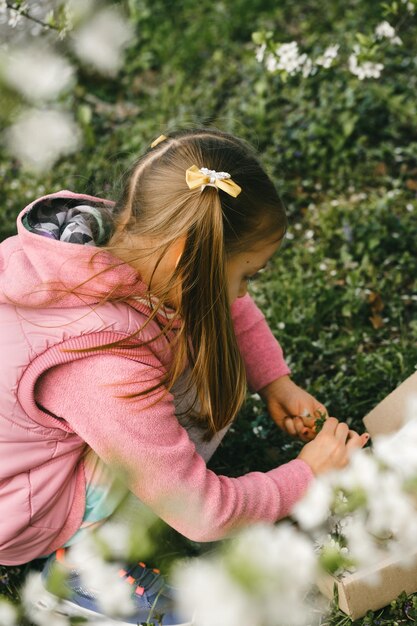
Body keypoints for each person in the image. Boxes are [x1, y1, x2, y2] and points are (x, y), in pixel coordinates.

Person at [0, 128, 368, 625]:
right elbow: (200, 512)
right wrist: (306, 477)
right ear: (187, 258)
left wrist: (274, 380)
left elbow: (220, 302)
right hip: (21, 506)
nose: (243, 295)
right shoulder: (104, 369)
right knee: (204, 388)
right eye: (246, 277)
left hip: (20, 453)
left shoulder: (115, 238)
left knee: (204, 352)